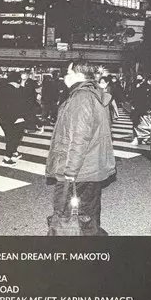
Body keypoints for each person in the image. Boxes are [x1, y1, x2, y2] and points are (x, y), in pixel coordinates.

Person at [46, 60, 116, 236]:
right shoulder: (94, 94)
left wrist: (70, 171)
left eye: (68, 73)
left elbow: (79, 137)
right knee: (88, 210)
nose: (65, 76)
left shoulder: (81, 97)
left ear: (78, 75)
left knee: (67, 212)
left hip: (81, 168)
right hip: (92, 164)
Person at [0, 71, 28, 165]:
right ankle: (7, 158)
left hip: (3, 119)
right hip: (16, 119)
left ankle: (14, 153)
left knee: (9, 137)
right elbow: (23, 105)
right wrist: (21, 117)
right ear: (18, 80)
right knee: (14, 139)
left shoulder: (1, 89)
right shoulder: (18, 91)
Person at [130, 74, 150, 145]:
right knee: (135, 122)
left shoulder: (147, 86)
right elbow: (132, 95)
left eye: (140, 77)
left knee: (143, 123)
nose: (138, 79)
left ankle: (143, 138)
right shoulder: (134, 85)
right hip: (136, 107)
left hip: (143, 107)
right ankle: (136, 138)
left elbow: (148, 96)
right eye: (137, 77)